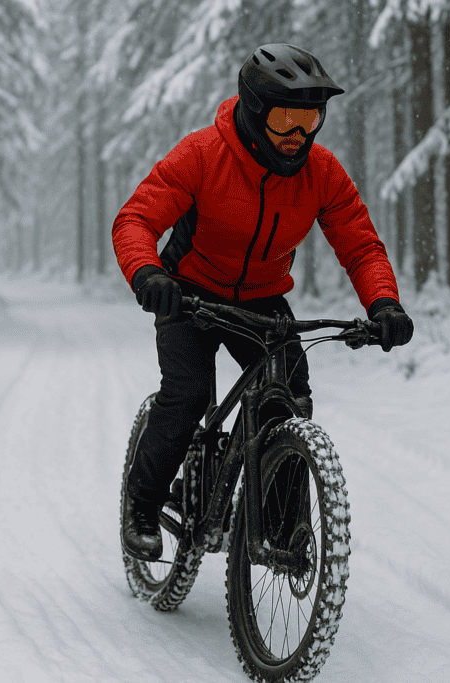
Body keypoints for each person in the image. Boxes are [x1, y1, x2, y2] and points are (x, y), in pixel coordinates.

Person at [112, 44, 414, 561]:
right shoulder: (203, 153)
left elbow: (360, 244)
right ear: (254, 112)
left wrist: (384, 303)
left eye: (310, 119)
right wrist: (147, 274)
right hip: (188, 294)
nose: (298, 136)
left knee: (290, 398)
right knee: (186, 396)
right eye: (284, 120)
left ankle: (277, 526)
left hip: (262, 299)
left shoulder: (321, 172)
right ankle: (141, 506)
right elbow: (136, 219)